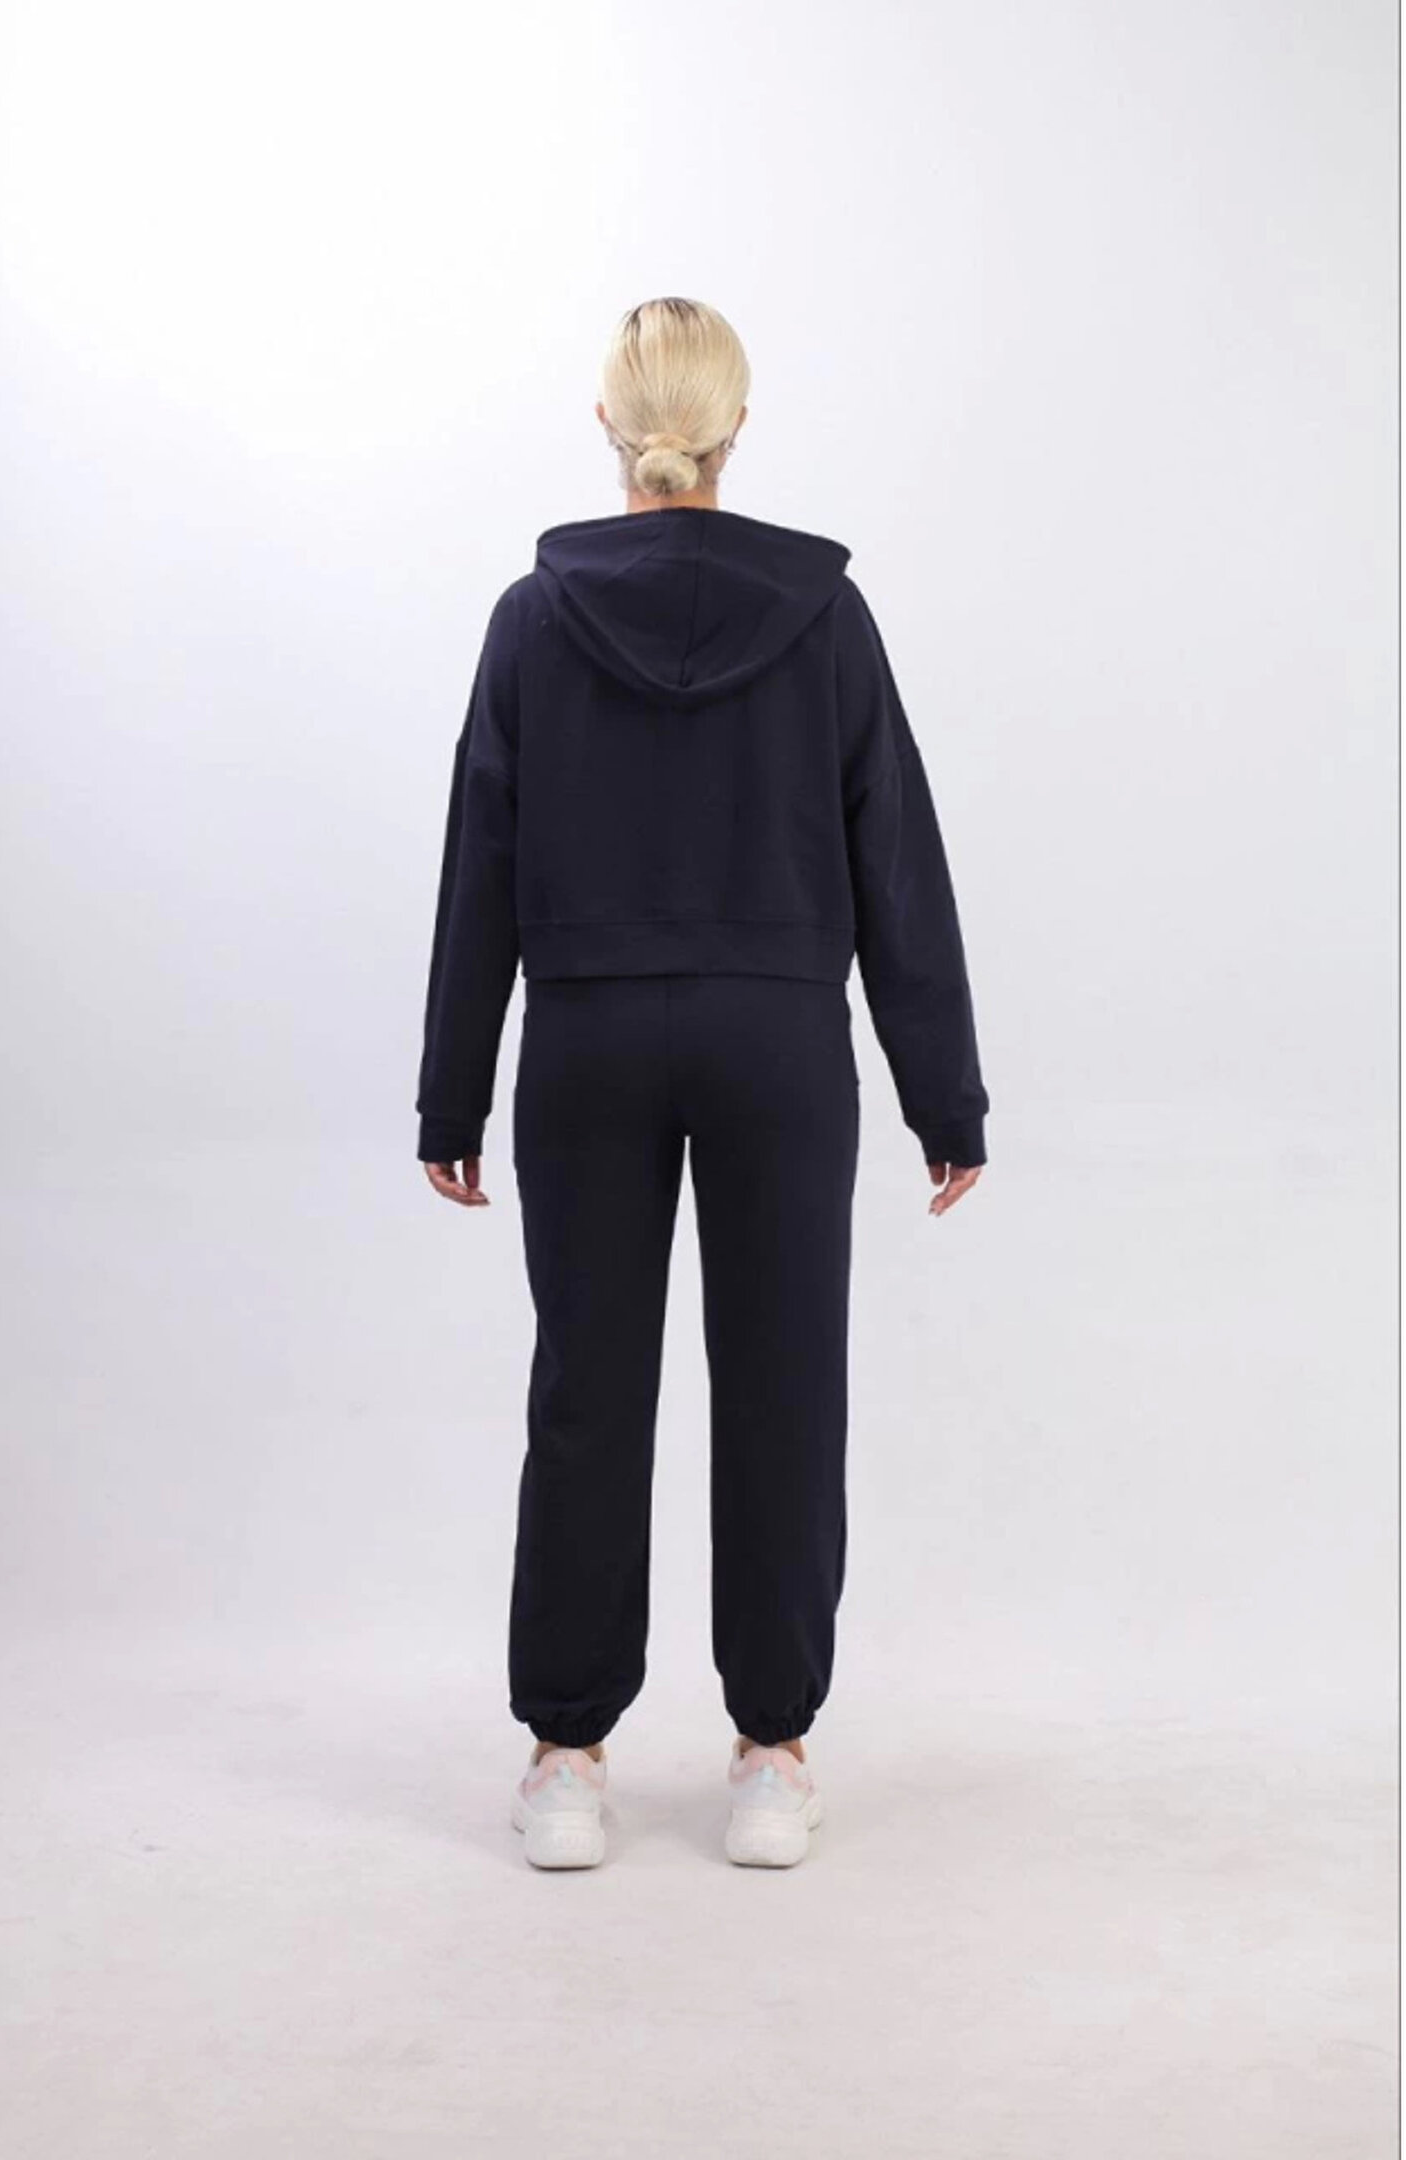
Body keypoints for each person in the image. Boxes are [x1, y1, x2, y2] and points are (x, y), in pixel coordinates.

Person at [416, 296, 989, 1870]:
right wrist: (944, 1094)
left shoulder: (532, 621)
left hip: (586, 1042)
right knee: (785, 1387)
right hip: (779, 1045)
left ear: (609, 428)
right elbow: (894, 858)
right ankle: (774, 1756)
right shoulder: (825, 618)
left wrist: (452, 1093)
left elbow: (481, 861)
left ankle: (565, 1759)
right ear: (737, 430)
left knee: (586, 1393)